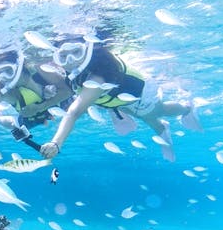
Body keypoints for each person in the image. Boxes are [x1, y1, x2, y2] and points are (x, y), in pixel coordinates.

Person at [38, 34, 202, 162]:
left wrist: (56, 143)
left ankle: (186, 109)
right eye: (63, 56)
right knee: (130, 110)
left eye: (76, 52)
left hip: (139, 93)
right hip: (116, 99)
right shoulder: (75, 73)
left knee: (155, 113)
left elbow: (74, 112)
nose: (70, 61)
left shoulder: (98, 77)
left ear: (88, 50)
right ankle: (147, 123)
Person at [0, 48, 73, 150]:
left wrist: (40, 107)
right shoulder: (5, 91)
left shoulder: (40, 71)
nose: (4, 78)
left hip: (58, 104)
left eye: (8, 71)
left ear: (19, 67)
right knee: (14, 123)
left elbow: (68, 91)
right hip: (31, 115)